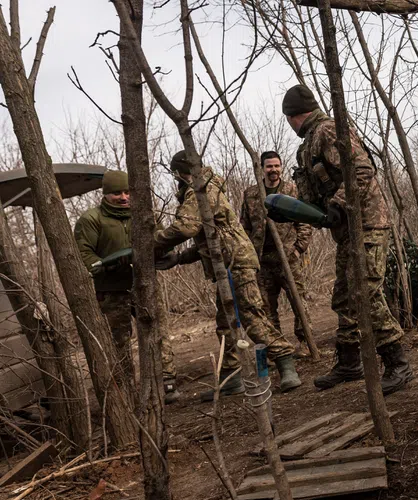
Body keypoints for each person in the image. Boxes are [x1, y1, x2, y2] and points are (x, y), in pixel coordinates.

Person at [281, 84, 412, 395]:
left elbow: (362, 170)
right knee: (343, 296)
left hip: (366, 223)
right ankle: (350, 362)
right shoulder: (308, 144)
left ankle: (397, 362)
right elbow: (317, 196)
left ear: (292, 116)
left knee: (365, 292)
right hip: (347, 232)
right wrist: (293, 211)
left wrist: (339, 204)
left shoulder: (327, 130)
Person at [154, 151, 303, 400]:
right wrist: (179, 257)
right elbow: (209, 239)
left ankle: (285, 361)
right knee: (225, 323)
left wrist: (152, 243)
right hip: (225, 264)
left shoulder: (201, 189)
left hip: (237, 262)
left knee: (251, 316)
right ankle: (231, 376)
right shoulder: (203, 188)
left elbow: (186, 227)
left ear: (179, 173)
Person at [74, 170, 181, 404]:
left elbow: (161, 240)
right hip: (111, 290)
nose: (123, 197)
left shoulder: (143, 214)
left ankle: (166, 380)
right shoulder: (91, 219)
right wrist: (107, 265)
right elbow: (83, 253)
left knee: (158, 330)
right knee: (119, 341)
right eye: (116, 193)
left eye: (126, 192)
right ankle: (127, 390)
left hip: (144, 283)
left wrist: (166, 254)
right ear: (105, 194)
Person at [240, 151, 314, 359]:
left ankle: (306, 343)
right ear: (262, 169)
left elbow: (304, 221)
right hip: (262, 260)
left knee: (299, 302)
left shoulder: (291, 190)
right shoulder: (251, 194)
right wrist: (248, 254)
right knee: (266, 307)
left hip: (288, 258)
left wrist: (298, 249)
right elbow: (244, 227)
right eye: (269, 166)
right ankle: (278, 349)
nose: (273, 170)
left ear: (281, 167)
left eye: (276, 166)